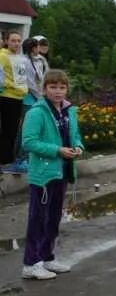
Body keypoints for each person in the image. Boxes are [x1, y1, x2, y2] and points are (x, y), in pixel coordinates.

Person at [20, 70, 83, 280]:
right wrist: (57, 150)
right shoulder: (37, 112)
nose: (58, 92)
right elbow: (28, 142)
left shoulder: (69, 111)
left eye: (62, 87)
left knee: (54, 218)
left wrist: (77, 146)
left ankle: (47, 256)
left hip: (63, 170)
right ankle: (31, 263)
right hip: (44, 174)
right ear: (44, 88)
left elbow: (74, 135)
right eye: (53, 87)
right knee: (38, 218)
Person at [0, 31, 29, 171]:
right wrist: (12, 86)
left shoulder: (19, 57)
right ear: (6, 41)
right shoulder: (3, 56)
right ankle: (5, 162)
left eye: (19, 41)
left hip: (18, 97)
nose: (17, 43)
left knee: (13, 131)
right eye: (13, 40)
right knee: (7, 130)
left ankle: (8, 160)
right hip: (7, 97)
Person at [22, 38, 48, 108]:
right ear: (33, 48)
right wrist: (40, 96)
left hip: (35, 96)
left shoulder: (39, 59)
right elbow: (30, 83)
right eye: (38, 46)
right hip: (29, 98)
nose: (39, 49)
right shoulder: (26, 62)